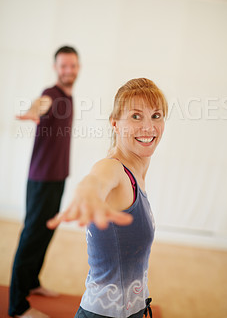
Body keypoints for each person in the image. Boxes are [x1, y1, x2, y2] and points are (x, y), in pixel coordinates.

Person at [47, 77, 168, 318]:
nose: (148, 127)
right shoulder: (114, 169)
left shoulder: (136, 174)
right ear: (115, 123)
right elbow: (98, 179)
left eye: (156, 115)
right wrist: (87, 192)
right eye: (136, 116)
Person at [9, 46, 80, 318]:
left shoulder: (69, 96)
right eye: (63, 66)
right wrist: (31, 111)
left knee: (46, 233)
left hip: (58, 178)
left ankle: (32, 283)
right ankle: (17, 305)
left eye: (72, 66)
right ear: (56, 68)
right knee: (31, 236)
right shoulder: (52, 93)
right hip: (41, 180)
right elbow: (41, 104)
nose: (68, 70)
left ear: (78, 67)